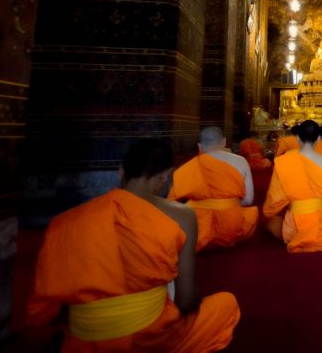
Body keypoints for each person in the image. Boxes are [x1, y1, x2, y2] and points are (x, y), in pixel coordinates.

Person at [26, 139, 240, 351]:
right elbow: (185, 301)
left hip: (84, 340)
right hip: (152, 338)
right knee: (227, 304)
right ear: (165, 176)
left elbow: (48, 309)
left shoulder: (64, 223)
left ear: (120, 171)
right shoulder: (181, 216)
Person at [262, 119, 322, 252]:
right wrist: (320, 203)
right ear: (319, 139)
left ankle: (299, 235)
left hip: (293, 228)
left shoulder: (283, 162)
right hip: (321, 225)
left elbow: (274, 201)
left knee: (271, 221)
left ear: (297, 138)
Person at [168, 126, 258, 251]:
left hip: (196, 229)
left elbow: (171, 203)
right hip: (231, 227)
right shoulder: (241, 161)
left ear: (199, 146)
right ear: (224, 142)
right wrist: (226, 204)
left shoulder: (188, 167)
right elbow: (248, 200)